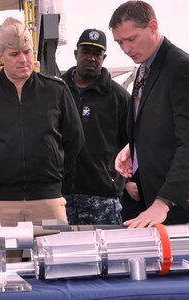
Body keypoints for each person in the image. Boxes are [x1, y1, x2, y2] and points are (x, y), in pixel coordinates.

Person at [0, 17, 84, 260]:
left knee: (56, 268)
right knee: (2, 275)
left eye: (27, 52)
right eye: (15, 53)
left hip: (48, 200)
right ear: (0, 55)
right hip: (0, 204)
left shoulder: (56, 91)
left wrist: (57, 174)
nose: (23, 59)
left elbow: (75, 139)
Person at [109, 1, 189, 228]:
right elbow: (160, 120)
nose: (126, 49)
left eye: (132, 39)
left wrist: (164, 202)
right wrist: (135, 147)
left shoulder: (183, 70)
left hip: (187, 211)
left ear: (153, 26)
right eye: (120, 43)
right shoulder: (144, 69)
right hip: (155, 204)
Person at [61, 28, 130, 225]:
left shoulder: (119, 97)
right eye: (86, 52)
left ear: (104, 57)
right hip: (59, 195)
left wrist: (129, 181)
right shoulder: (57, 91)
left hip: (103, 197)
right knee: (57, 254)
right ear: (76, 54)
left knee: (105, 255)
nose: (91, 58)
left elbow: (132, 144)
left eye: (97, 54)